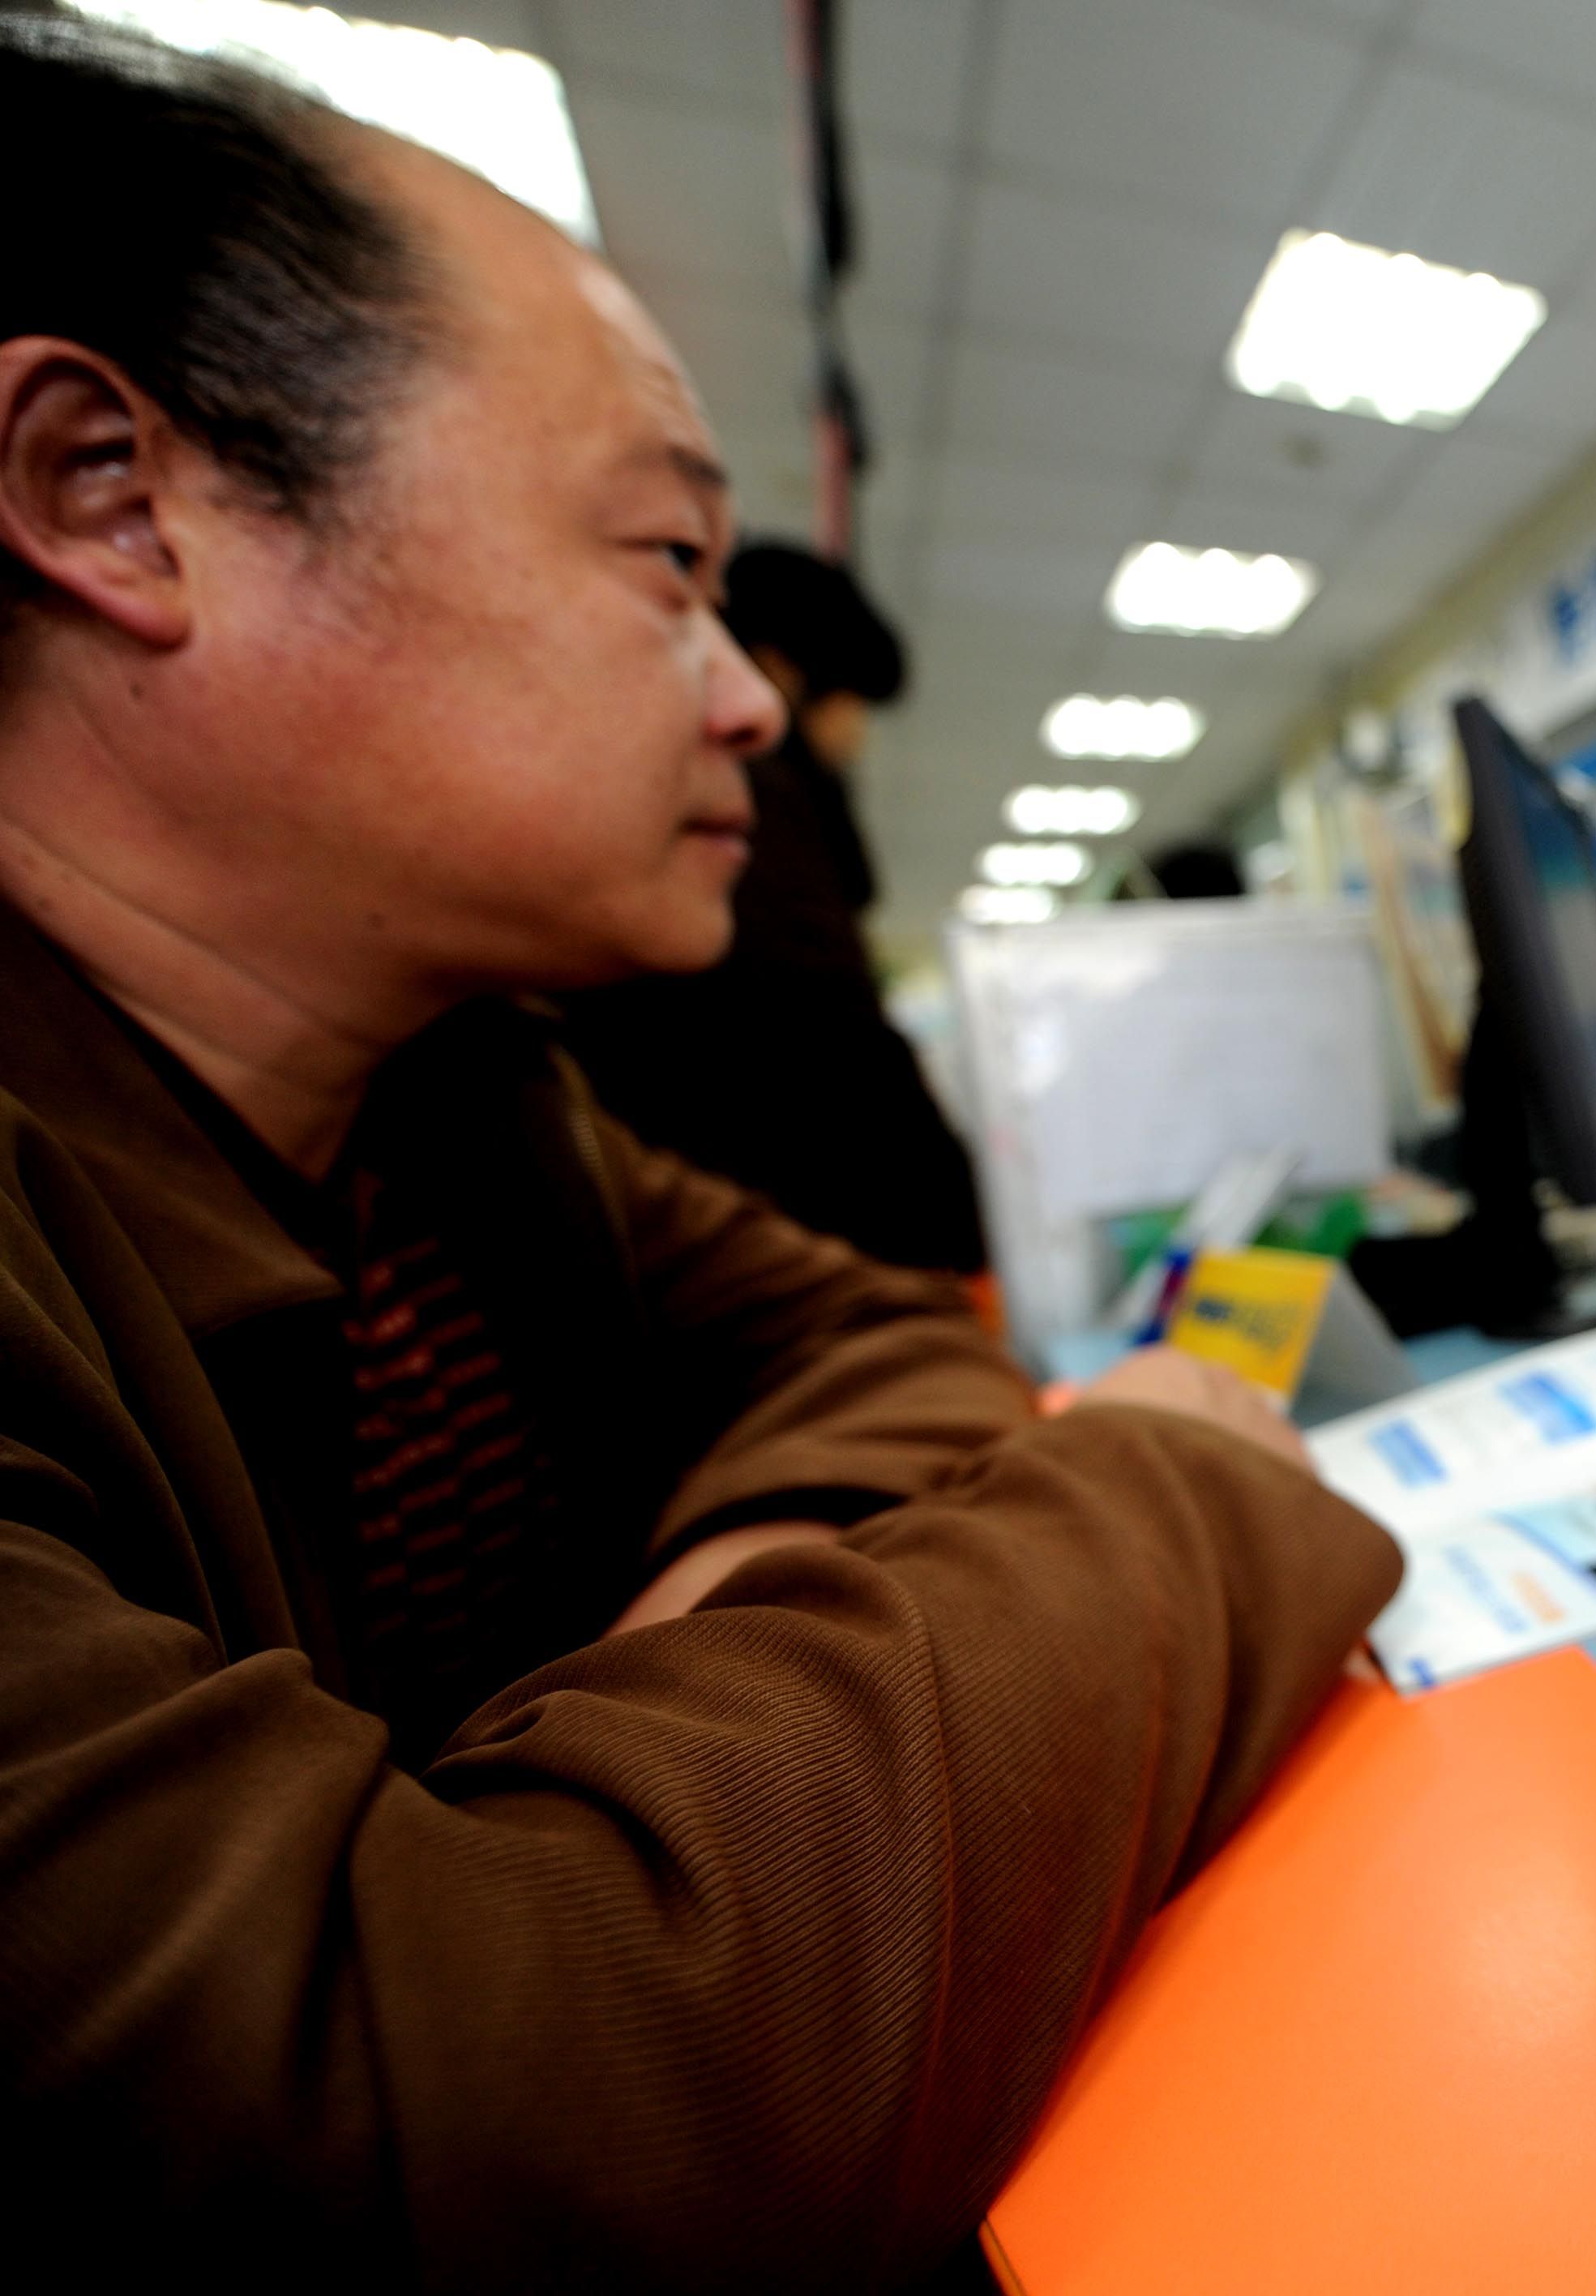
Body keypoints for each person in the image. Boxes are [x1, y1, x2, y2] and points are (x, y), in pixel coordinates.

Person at [0, 23, 1397, 2287]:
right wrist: (1184, 1478)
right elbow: (476, 2107)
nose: (746, 696)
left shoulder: (468, 1106)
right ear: (110, 502)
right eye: (667, 559)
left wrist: (732, 1630)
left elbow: (875, 1335)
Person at [558, 542, 990, 1274]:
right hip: (783, 1248)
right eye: (853, 703)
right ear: (785, 668)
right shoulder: (756, 808)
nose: (856, 737)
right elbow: (831, 1040)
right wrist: (965, 1230)